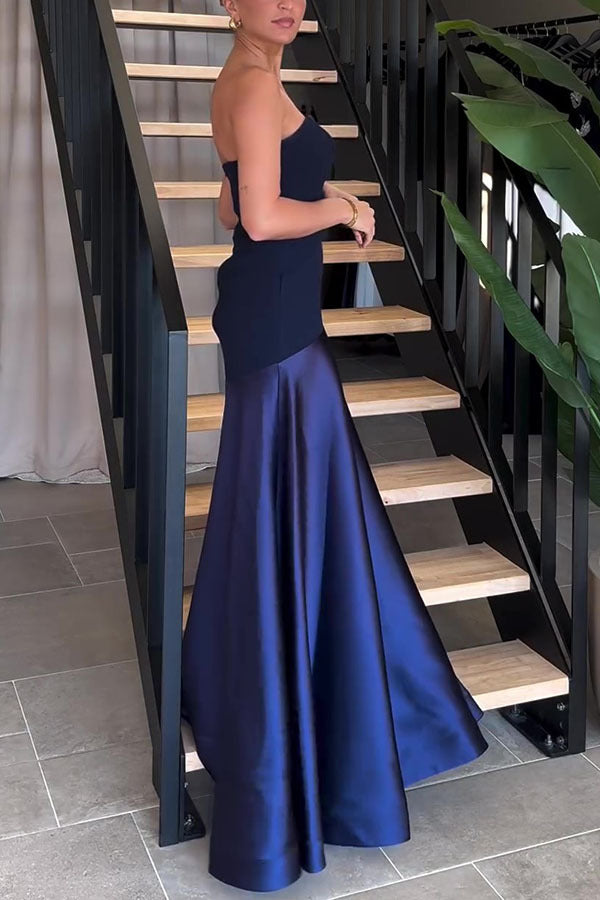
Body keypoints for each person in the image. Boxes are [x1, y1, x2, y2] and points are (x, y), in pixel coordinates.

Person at [181, 0, 489, 892]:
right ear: (229, 3)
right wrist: (343, 204)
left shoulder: (247, 80)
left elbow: (233, 200)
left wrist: (309, 207)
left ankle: (288, 690)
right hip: (279, 327)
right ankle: (297, 718)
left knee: (294, 505)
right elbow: (260, 217)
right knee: (298, 504)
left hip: (273, 314)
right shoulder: (249, 84)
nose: (288, 4)